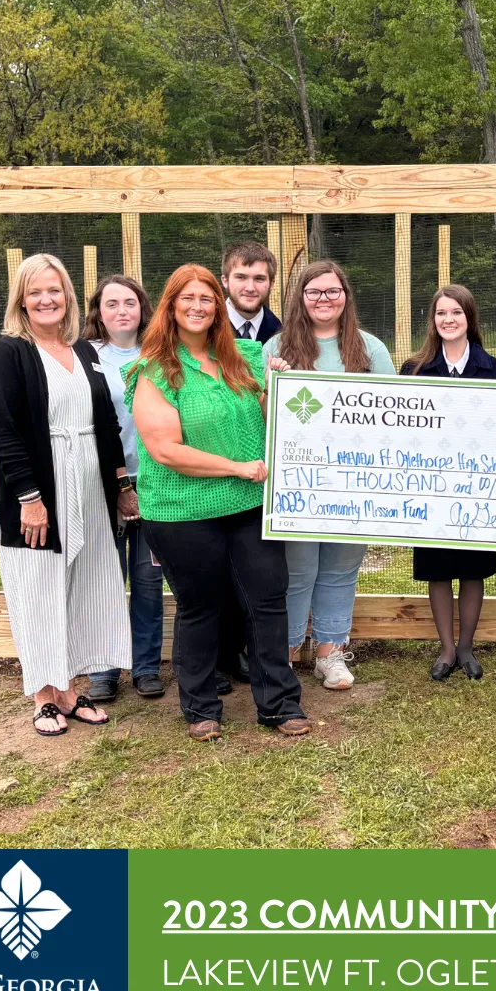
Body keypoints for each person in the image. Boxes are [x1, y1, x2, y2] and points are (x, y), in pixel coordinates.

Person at [127, 263, 309, 740]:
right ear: (170, 306)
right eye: (187, 298)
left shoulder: (246, 355)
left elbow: (276, 421)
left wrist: (281, 389)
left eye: (206, 299)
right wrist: (236, 467)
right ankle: (201, 706)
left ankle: (280, 704)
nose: (197, 307)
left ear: (218, 307)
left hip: (248, 503)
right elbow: (166, 450)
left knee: (268, 600)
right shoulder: (153, 370)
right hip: (183, 510)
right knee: (200, 605)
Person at [0, 254, 132, 736]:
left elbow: (107, 424)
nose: (46, 299)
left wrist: (121, 486)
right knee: (39, 587)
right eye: (35, 292)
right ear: (21, 300)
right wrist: (29, 497)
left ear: (68, 296)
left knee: (85, 584)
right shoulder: (11, 352)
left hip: (89, 483)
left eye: (55, 290)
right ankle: (43, 696)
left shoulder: (84, 351)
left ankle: (72, 689)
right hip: (40, 488)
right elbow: (3, 432)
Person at [264, 260, 396, 690]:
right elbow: (263, 417)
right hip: (298, 483)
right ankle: (282, 654)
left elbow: (393, 412)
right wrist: (272, 385)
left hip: (355, 482)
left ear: (345, 296)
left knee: (341, 567)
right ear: (300, 298)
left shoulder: (370, 348)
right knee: (298, 569)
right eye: (315, 292)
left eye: (332, 291)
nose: (324, 299)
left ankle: (330, 653)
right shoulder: (277, 347)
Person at [402, 285, 496, 680]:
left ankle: (467, 648)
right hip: (430, 486)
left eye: (456, 313)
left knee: (473, 567)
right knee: (438, 567)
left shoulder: (492, 368)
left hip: (479, 486)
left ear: (469, 318)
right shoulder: (415, 368)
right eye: (441, 313)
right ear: (433, 320)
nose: (448, 320)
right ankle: (446, 649)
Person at [82, 275, 165, 702]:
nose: (121, 311)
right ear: (98, 311)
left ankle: (147, 667)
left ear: (142, 308)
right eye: (111, 304)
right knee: (105, 579)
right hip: (102, 488)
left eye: (129, 303)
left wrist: (137, 485)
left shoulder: (160, 354)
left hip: (153, 484)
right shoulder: (85, 357)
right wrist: (117, 485)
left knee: (148, 580)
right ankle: (103, 669)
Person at [215, 241, 283, 695]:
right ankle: (217, 659)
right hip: (214, 468)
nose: (250, 286)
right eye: (241, 277)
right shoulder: (198, 325)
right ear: (225, 280)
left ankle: (248, 655)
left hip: (266, 472)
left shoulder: (283, 333)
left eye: (259, 278)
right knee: (213, 570)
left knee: (256, 570)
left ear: (270, 285)